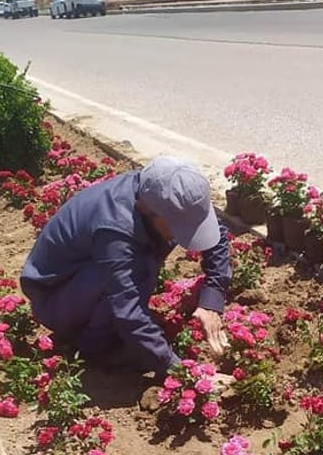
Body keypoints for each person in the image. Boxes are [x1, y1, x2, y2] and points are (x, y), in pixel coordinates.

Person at [20, 157, 231, 377]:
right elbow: (128, 310)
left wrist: (211, 300)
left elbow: (217, 235)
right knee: (138, 270)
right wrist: (180, 372)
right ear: (144, 208)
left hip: (85, 279)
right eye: (177, 227)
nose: (183, 235)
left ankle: (105, 331)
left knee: (141, 267)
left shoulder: (162, 193)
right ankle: (93, 346)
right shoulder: (115, 230)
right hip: (56, 298)